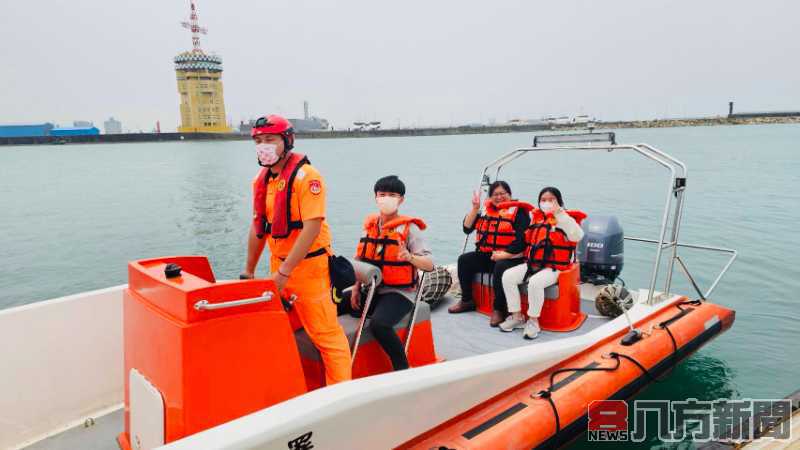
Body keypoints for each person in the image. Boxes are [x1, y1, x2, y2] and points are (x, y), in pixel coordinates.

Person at [241, 114, 352, 385]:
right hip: (277, 266)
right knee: (275, 329)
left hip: (309, 270)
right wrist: (248, 270)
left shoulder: (307, 177)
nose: (263, 146)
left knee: (328, 338)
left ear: (286, 141)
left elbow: (312, 227)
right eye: (258, 140)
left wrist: (285, 272)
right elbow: (258, 227)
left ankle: (340, 397)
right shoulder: (262, 179)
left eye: (270, 140)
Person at [351, 175, 434, 371]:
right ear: (375, 197)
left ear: (401, 199)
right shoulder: (370, 227)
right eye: (382, 194)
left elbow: (429, 265)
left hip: (400, 293)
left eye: (392, 194)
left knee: (379, 325)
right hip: (372, 289)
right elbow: (360, 260)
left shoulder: (409, 229)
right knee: (334, 302)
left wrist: (409, 257)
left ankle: (402, 369)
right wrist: (355, 288)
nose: (386, 198)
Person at [499, 187, 585, 339]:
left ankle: (533, 321)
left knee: (535, 283)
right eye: (543, 200)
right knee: (508, 276)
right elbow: (527, 241)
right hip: (533, 264)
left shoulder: (565, 219)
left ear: (559, 201)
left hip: (554, 267)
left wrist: (559, 213)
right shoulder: (537, 218)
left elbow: (577, 235)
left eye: (551, 200)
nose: (546, 203)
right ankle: (517, 317)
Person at [448, 181, 530, 327]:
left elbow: (521, 241)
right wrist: (474, 209)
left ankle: (499, 309)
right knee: (464, 260)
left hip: (512, 258)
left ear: (510, 195)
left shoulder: (520, 212)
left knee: (500, 266)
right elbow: (467, 228)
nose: (499, 197)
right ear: (490, 197)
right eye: (495, 195)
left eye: (502, 194)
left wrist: (503, 254)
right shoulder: (485, 211)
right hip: (489, 255)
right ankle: (467, 300)